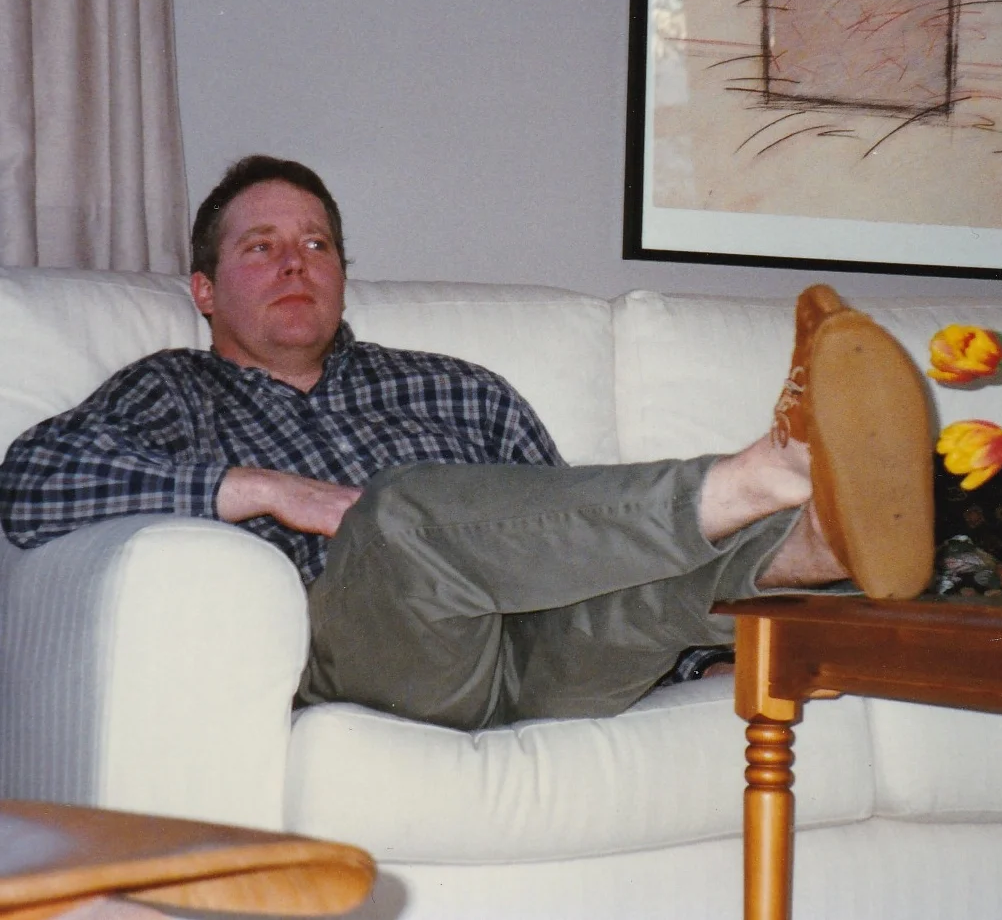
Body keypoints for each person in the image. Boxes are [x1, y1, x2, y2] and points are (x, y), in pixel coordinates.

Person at [0, 156, 934, 730]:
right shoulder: (171, 389)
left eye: (318, 244)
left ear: (344, 272)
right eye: (261, 246)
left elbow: (577, 539)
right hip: (378, 659)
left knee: (635, 586)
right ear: (203, 291)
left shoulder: (458, 387)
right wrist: (265, 488)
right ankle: (761, 471)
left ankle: (813, 543)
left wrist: (700, 657)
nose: (296, 262)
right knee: (401, 510)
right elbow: (31, 480)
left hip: (538, 660)